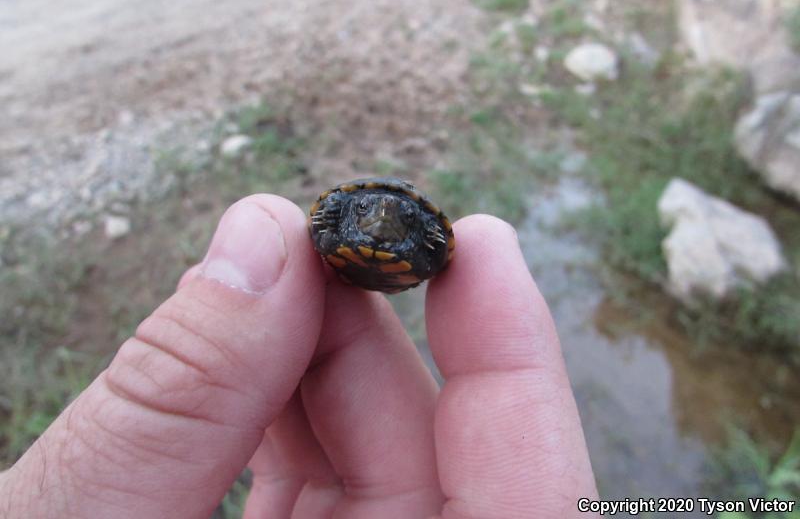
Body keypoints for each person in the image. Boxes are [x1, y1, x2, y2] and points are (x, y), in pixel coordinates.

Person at [0, 195, 598, 518]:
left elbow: (438, 248)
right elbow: (322, 224)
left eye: (390, 213)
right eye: (372, 211)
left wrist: (424, 249)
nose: (381, 218)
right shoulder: (342, 216)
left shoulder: (417, 233)